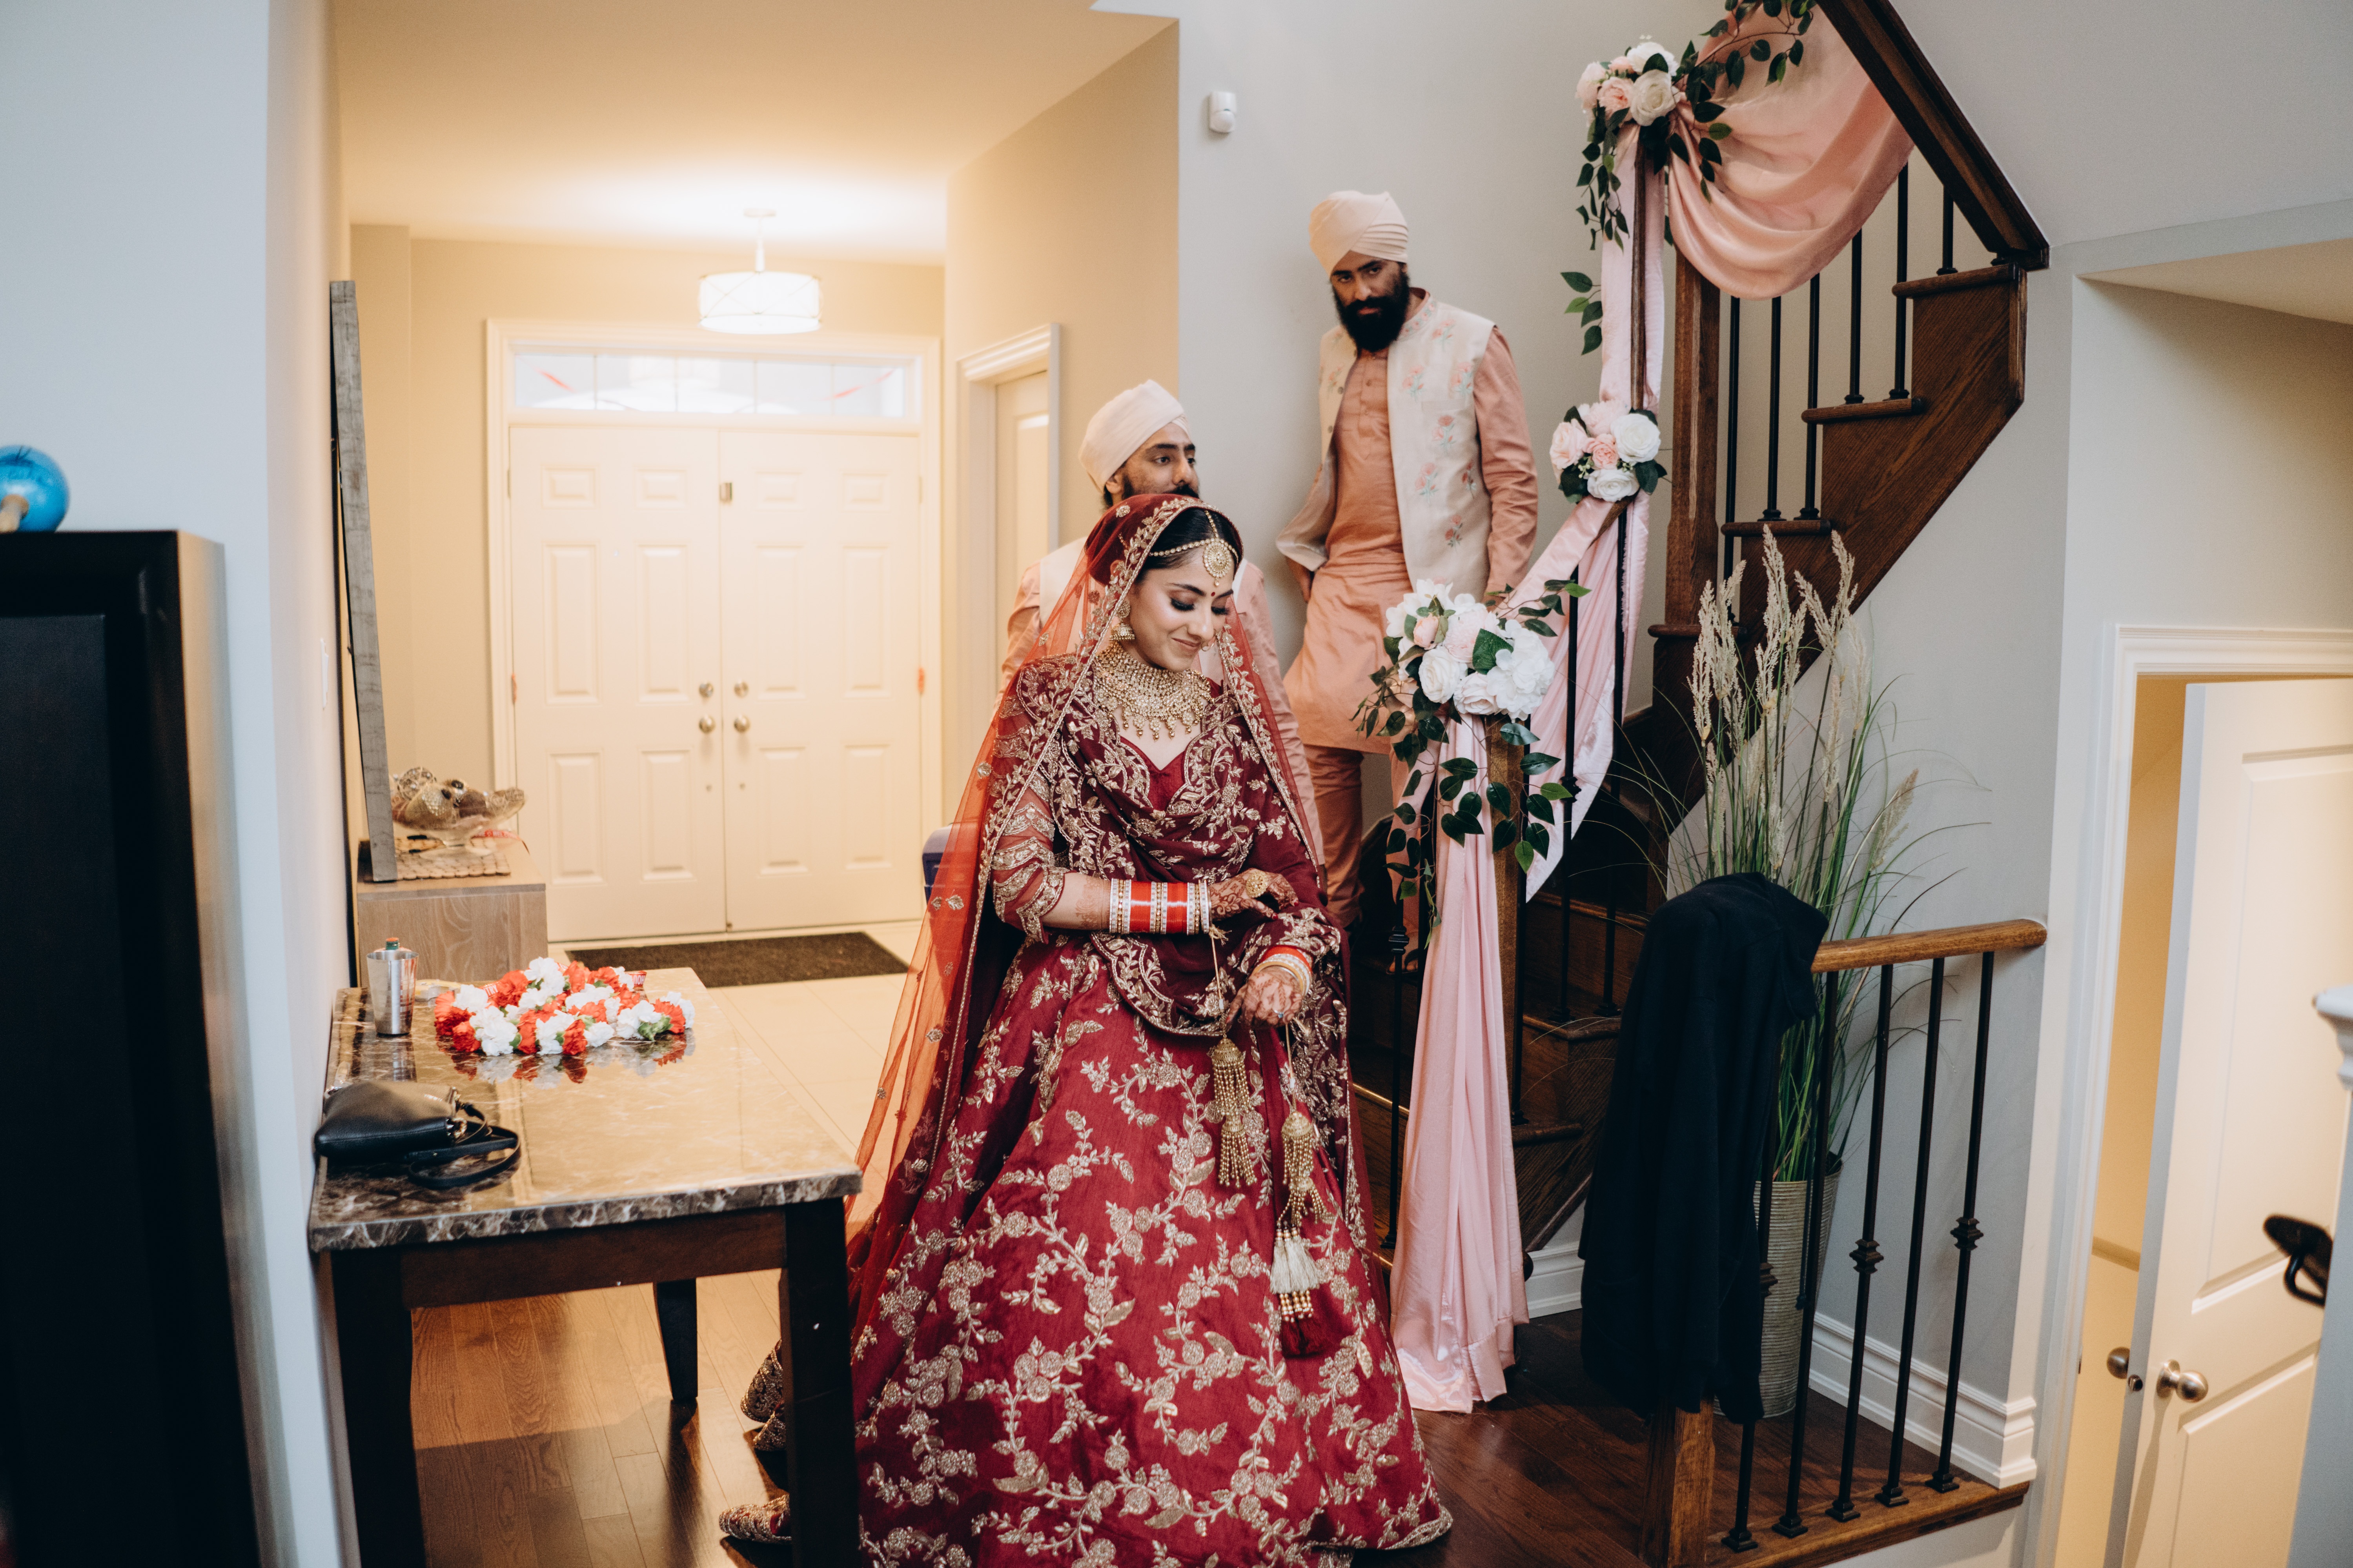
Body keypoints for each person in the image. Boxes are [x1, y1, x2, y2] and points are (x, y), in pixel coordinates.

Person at [724, 495, 1452, 1564]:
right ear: (1120, 589)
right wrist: (1190, 905)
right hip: (1083, 1001)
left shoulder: (1237, 719)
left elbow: (1294, 889)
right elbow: (1021, 884)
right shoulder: (1053, 698)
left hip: (1227, 1026)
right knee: (1062, 1228)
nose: (1204, 626)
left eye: (1218, 606)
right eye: (1182, 599)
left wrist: (1287, 964)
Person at [1277, 191, 1541, 930]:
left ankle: (1422, 938)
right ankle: (1332, 925)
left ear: (1400, 264)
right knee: (1314, 736)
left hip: (1437, 593)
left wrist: (1499, 601)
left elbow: (1515, 482)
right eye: (1343, 278)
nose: (1360, 291)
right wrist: (1314, 563)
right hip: (1345, 579)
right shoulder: (1333, 351)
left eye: (1372, 271)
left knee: (1419, 771)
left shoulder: (1473, 340)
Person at [1003, 381, 1319, 862]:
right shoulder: (1047, 582)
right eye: (1163, 458)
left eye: (1190, 458)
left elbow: (1273, 724)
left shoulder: (1240, 580)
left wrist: (1311, 852)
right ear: (1114, 477)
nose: (1186, 475)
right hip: (1083, 857)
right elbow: (1012, 738)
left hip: (1209, 848)